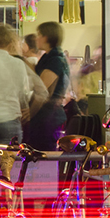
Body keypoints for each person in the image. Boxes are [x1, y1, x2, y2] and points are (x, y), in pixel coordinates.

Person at [25, 21, 71, 150]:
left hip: (48, 117)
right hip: (46, 116)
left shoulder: (55, 60)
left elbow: (42, 89)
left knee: (44, 156)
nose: (36, 38)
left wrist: (30, 112)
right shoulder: (48, 57)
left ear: (46, 37)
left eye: (38, 34)